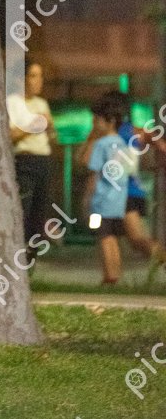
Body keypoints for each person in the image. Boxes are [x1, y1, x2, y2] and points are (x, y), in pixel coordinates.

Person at [83, 96, 135, 286]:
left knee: (103, 236)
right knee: (113, 237)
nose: (94, 124)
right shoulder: (122, 143)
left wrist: (87, 198)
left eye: (97, 120)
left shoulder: (101, 144)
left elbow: (94, 173)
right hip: (118, 201)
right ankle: (115, 275)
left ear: (110, 121)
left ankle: (109, 276)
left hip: (101, 201)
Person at [7, 59, 57, 246]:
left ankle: (32, 253)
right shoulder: (12, 102)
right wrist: (33, 126)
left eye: (41, 76)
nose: (39, 81)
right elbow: (10, 135)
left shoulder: (41, 103)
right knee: (24, 209)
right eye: (33, 76)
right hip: (24, 160)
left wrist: (50, 128)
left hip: (43, 159)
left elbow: (52, 136)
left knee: (39, 212)